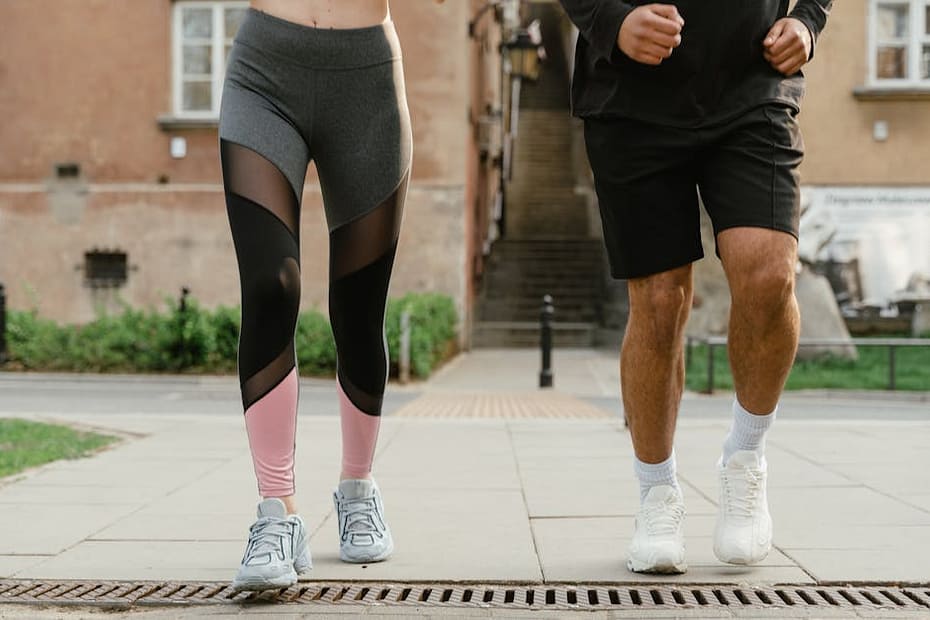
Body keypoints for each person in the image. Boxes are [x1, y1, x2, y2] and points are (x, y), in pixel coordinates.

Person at [558, 0, 831, 573]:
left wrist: (808, 19)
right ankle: (657, 494)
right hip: (631, 98)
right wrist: (610, 20)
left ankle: (745, 458)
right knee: (659, 300)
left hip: (752, 83)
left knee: (770, 272)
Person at [219, 0, 435, 591]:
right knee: (271, 285)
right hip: (264, 72)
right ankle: (277, 513)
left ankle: (357, 488)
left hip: (367, 83)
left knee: (358, 309)